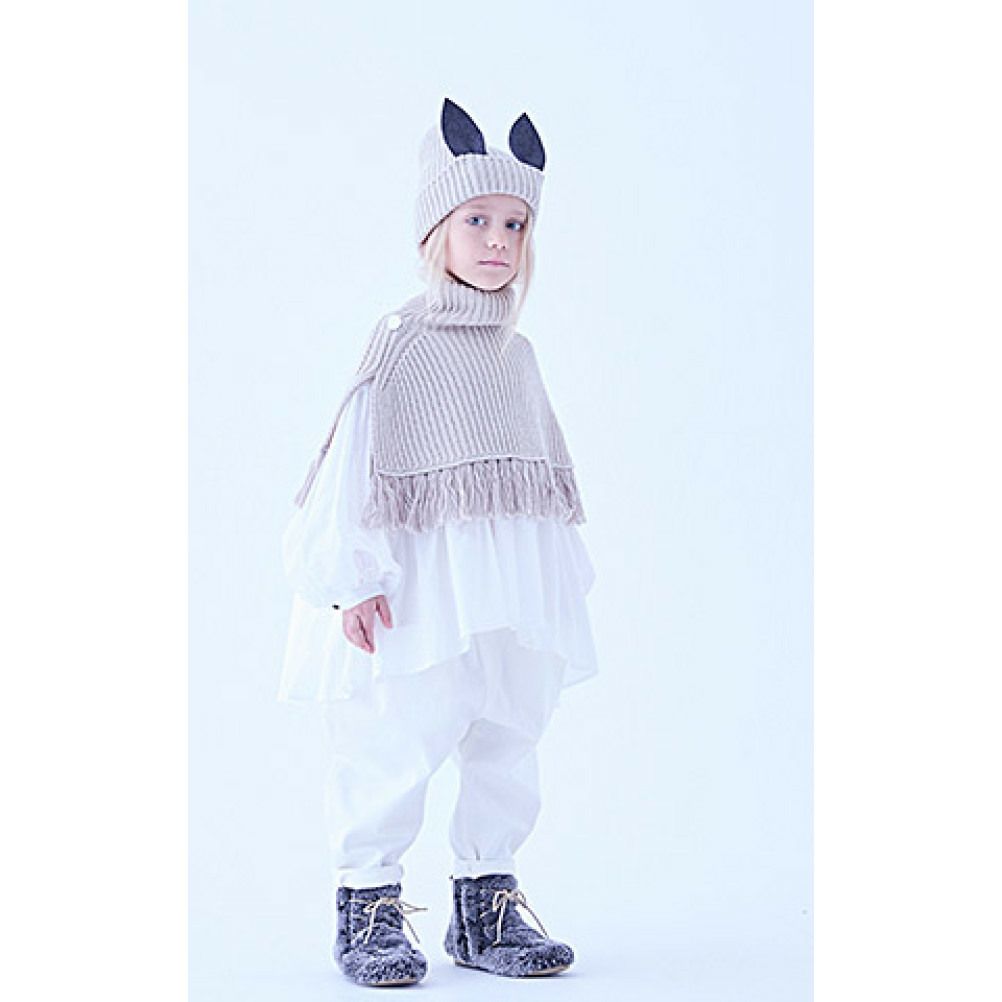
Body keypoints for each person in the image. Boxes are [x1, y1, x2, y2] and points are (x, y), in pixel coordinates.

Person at [278, 97, 599, 988]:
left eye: (515, 224)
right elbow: (356, 462)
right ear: (437, 229)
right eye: (476, 220)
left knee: (509, 730)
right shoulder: (403, 342)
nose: (498, 240)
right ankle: (370, 904)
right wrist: (352, 577)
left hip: (509, 581)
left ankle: (486, 904)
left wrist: (550, 581)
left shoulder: (516, 354)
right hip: (424, 580)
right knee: (400, 731)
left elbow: (536, 476)